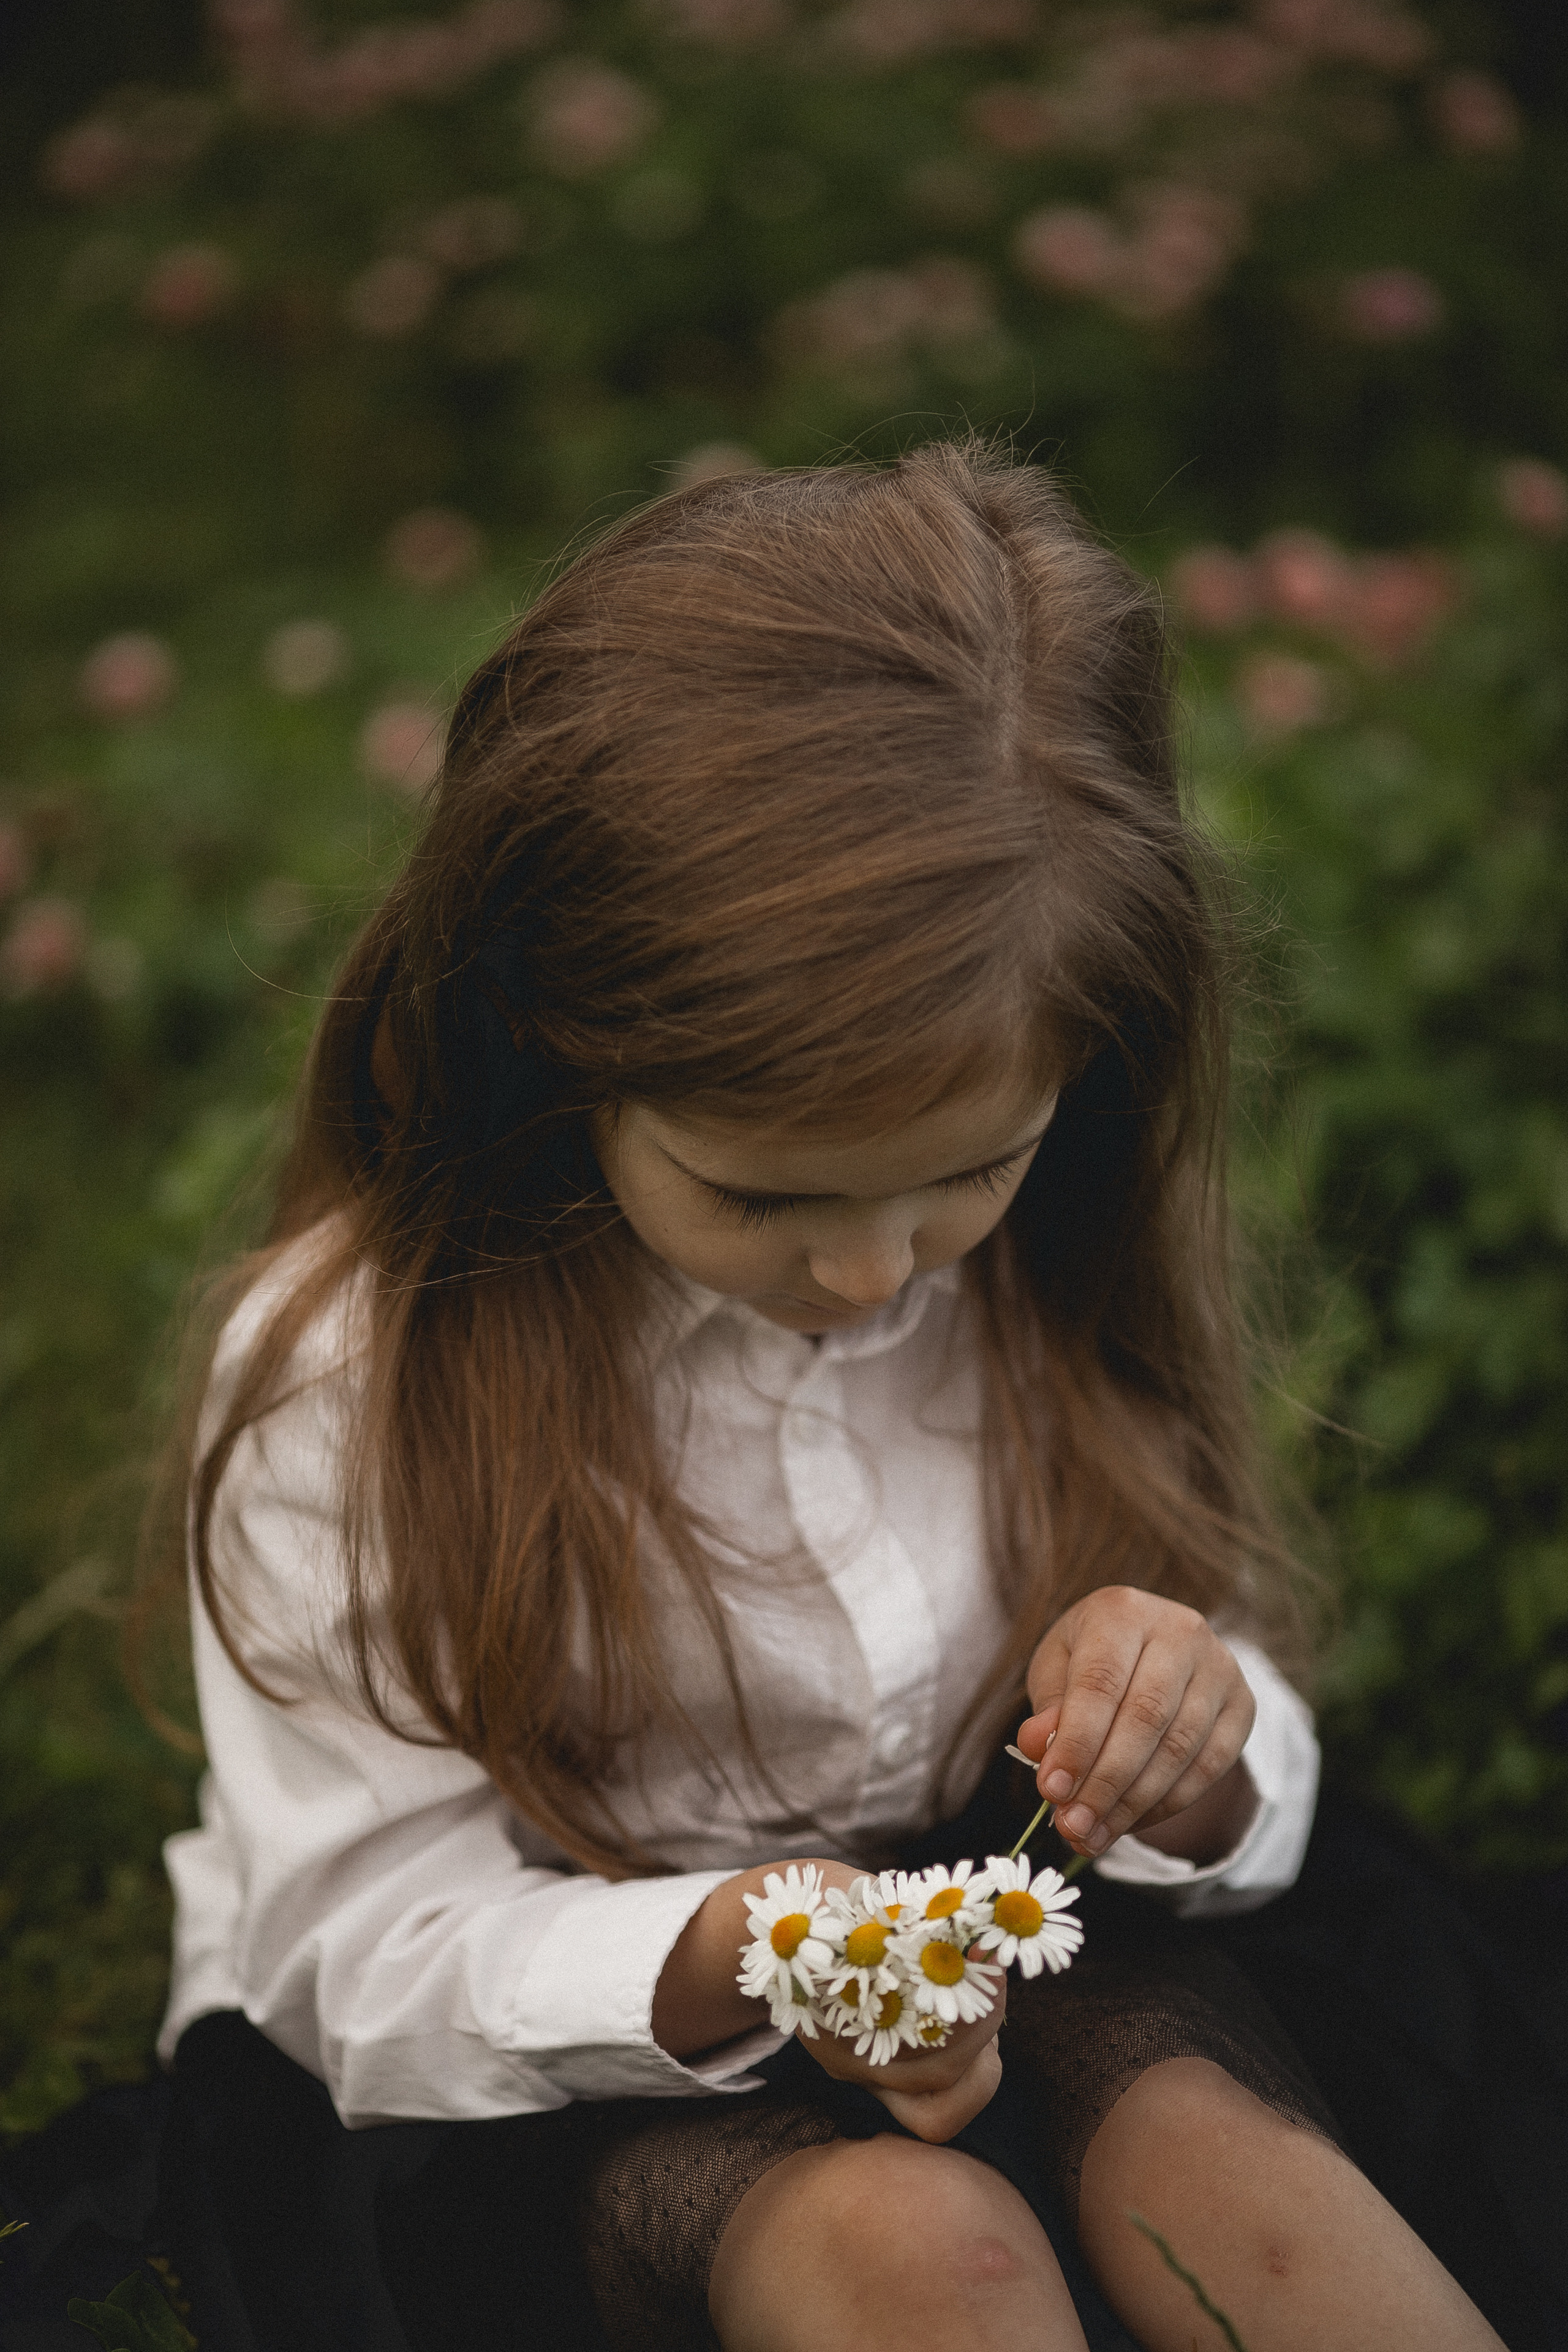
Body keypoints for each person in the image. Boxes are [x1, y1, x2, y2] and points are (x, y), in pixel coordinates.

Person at [152, 442, 1507, 2351]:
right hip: (561, 2023)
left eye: (969, 1171)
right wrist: (759, 1949)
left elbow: (1228, 1678)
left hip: (1024, 1926)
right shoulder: (363, 1377)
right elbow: (362, 1945)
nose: (877, 1273)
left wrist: (1193, 1740)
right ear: (552, 1045)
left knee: (1237, 2176)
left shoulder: (1063, 1251)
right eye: (765, 1197)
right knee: (916, 2254)